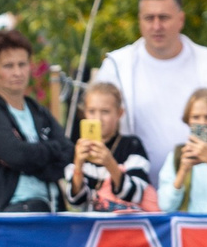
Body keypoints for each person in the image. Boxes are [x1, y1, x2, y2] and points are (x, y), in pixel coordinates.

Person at [92, 0, 207, 163]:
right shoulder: (116, 66)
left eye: (164, 18)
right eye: (149, 18)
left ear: (181, 19)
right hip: (132, 184)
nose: (156, 26)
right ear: (140, 21)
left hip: (194, 183)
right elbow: (100, 129)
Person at [0, 30, 71, 214]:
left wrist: (27, 159)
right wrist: (47, 153)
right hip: (5, 216)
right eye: (8, 66)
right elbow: (17, 155)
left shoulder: (37, 111)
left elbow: (68, 152)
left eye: (22, 64)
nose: (17, 72)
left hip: (51, 212)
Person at [61, 81, 152, 211]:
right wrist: (78, 164)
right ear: (84, 113)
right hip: (93, 228)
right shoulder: (78, 149)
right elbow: (75, 201)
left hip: (127, 227)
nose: (98, 118)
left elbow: (136, 195)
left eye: (105, 112)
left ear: (119, 113)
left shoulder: (132, 146)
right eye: (92, 111)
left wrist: (110, 163)